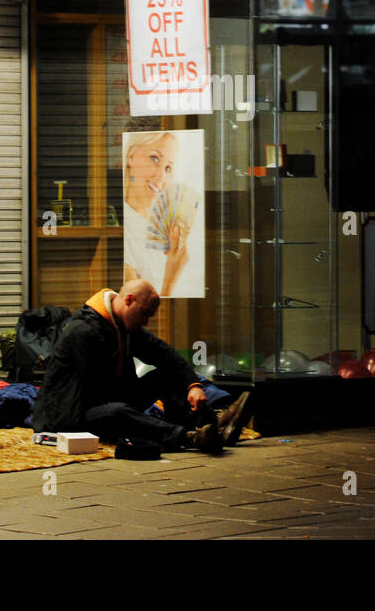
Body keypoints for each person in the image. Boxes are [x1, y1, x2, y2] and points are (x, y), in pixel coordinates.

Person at [30, 279, 251, 452]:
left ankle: (210, 425)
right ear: (129, 300)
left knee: (163, 374)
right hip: (68, 417)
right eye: (145, 314)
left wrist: (193, 385)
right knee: (118, 411)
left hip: (104, 400)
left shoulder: (124, 326)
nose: (146, 322)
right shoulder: (83, 331)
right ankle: (188, 437)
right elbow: (96, 389)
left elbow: (164, 355)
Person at [123, 132, 195, 297]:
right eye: (154, 158)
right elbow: (133, 311)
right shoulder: (124, 227)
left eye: (168, 168)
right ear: (131, 157)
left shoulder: (162, 227)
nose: (161, 177)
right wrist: (172, 276)